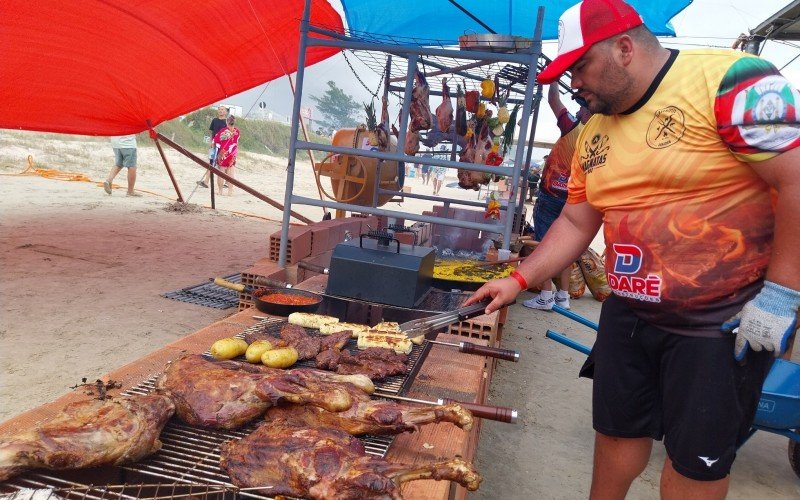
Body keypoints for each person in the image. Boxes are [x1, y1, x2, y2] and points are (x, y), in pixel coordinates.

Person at [465, 0, 799, 498]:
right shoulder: (592, 132)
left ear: (624, 49)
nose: (573, 83)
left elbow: (795, 180)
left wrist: (782, 292)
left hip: (719, 323)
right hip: (629, 315)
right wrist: (518, 279)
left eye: (579, 67)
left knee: (696, 461)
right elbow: (577, 220)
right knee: (616, 433)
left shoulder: (734, 81)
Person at [524, 86, 592, 311]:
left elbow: (554, 99)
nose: (578, 110)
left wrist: (552, 80)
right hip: (574, 198)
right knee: (564, 247)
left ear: (586, 111)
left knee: (543, 244)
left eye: (581, 106)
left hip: (552, 194)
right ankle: (563, 296)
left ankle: (545, 296)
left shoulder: (572, 126)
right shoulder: (598, 135)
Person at [198, 105, 228, 188]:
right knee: (212, 162)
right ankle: (206, 182)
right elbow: (212, 132)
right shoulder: (214, 120)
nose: (220, 111)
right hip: (214, 145)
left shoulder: (227, 122)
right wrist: (211, 142)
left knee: (222, 164)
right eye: (219, 109)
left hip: (223, 146)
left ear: (226, 112)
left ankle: (227, 181)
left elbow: (228, 134)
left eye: (222, 109)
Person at [212, 115, 240, 196]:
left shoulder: (223, 131)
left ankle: (220, 191)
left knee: (221, 172)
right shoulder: (237, 132)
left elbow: (216, 140)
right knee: (231, 173)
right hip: (233, 154)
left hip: (223, 153)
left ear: (226, 122)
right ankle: (230, 192)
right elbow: (237, 141)